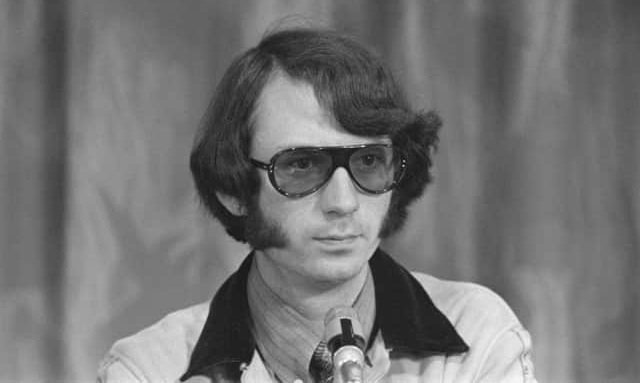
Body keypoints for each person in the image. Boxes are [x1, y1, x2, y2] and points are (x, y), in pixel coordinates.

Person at [97, 27, 537, 382]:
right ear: (232, 189)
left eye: (368, 162)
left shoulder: (479, 334)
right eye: (303, 165)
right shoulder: (149, 370)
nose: (343, 203)